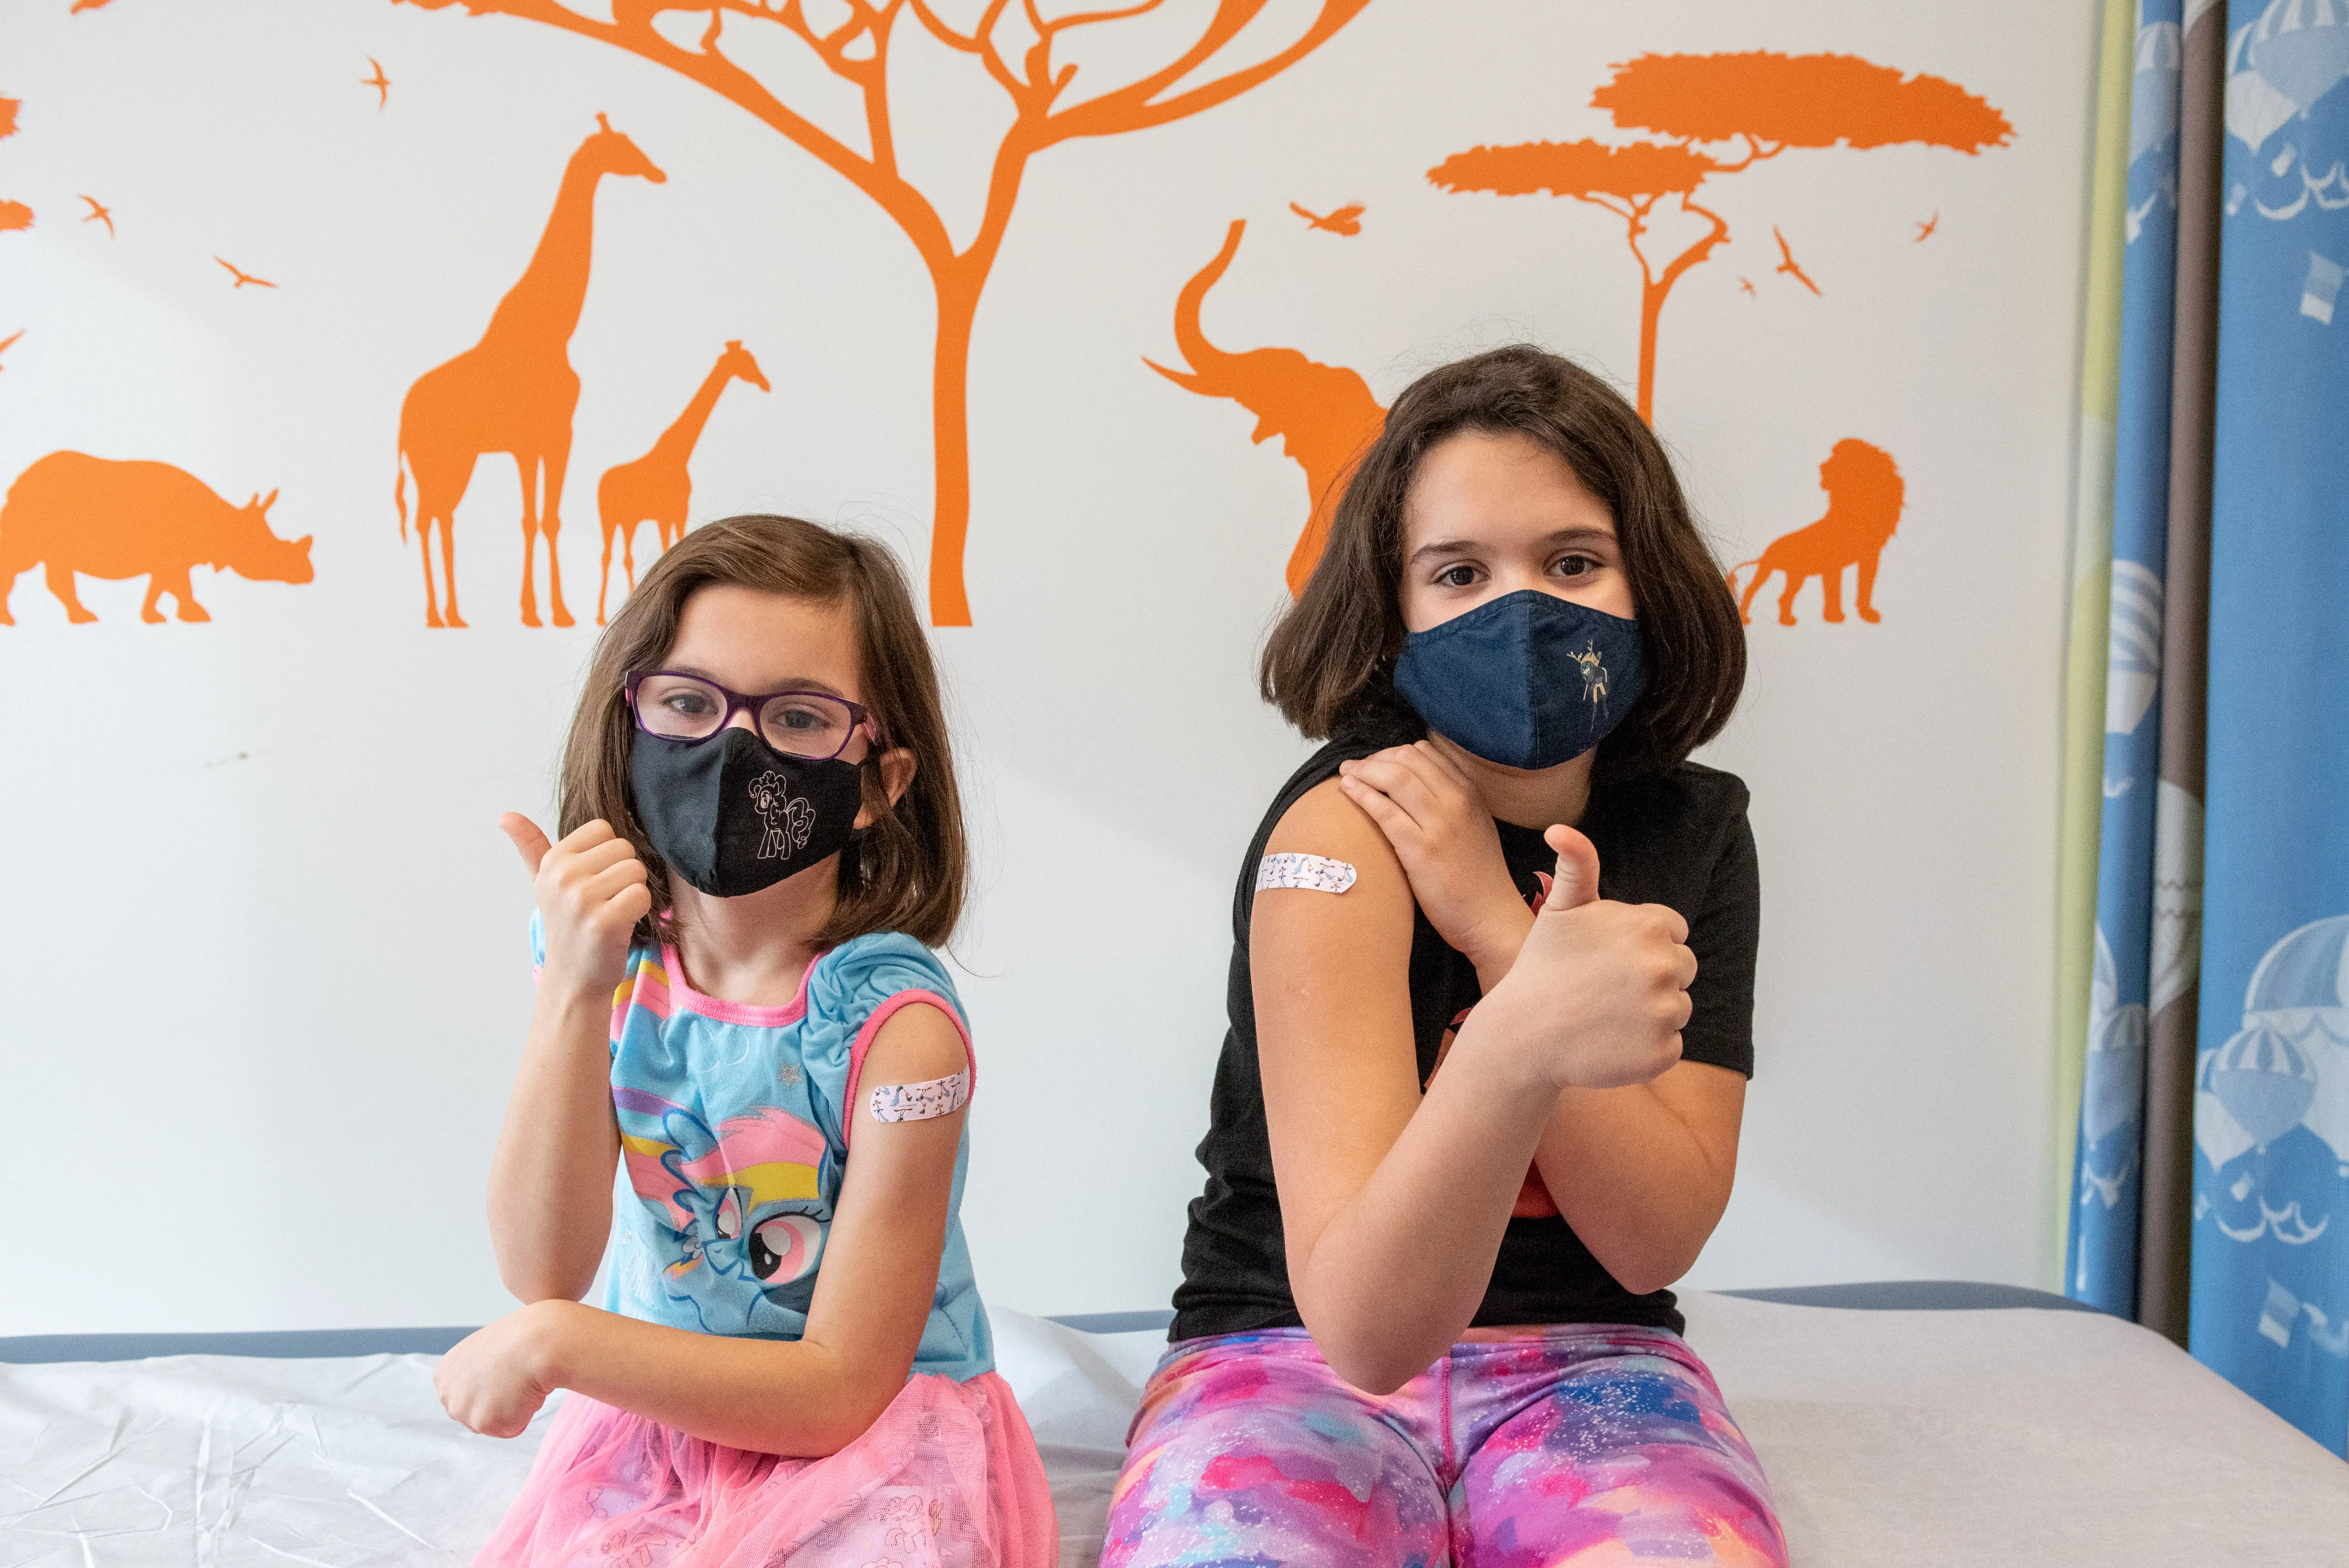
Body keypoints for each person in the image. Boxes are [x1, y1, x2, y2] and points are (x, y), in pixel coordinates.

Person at [1103, 346, 1787, 1566]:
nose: (1517, 607)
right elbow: (1366, 1326)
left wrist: (1495, 928)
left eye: (1570, 561)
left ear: (1646, 586)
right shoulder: (1336, 829)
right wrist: (1530, 1025)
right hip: (1283, 1355)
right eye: (1457, 571)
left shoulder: (1696, 833)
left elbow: (1652, 1237)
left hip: (1597, 1359)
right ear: (1393, 606)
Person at [437, 515, 1055, 1568]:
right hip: (659, 1420)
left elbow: (836, 1390)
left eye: (802, 718)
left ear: (879, 784)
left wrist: (561, 1345)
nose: (734, 750)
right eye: (687, 702)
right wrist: (575, 991)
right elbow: (541, 1264)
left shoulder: (896, 1032)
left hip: (871, 1432)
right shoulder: (601, 960)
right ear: (629, 721)